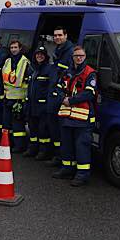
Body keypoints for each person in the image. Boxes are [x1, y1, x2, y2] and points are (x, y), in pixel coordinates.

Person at [52, 45, 97, 187]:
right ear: (72, 57)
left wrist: (70, 100)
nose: (78, 58)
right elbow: (58, 89)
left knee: (81, 146)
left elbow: (89, 93)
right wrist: (62, 99)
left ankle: (82, 175)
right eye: (76, 55)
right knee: (66, 145)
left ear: (85, 57)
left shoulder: (90, 73)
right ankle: (67, 169)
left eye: (81, 56)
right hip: (67, 116)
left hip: (83, 119)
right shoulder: (67, 72)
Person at [46, 26, 74, 167]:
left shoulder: (70, 52)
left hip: (62, 96)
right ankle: (57, 155)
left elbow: (69, 76)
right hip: (54, 94)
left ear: (66, 36)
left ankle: (62, 157)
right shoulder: (59, 50)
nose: (57, 37)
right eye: (55, 35)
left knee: (62, 129)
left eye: (60, 35)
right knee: (54, 127)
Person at [24, 45, 53, 158]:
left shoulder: (49, 69)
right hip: (32, 105)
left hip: (42, 106)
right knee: (33, 128)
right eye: (37, 54)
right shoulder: (32, 69)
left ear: (45, 56)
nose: (39, 56)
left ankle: (43, 151)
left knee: (43, 130)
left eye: (42, 54)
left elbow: (51, 88)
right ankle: (33, 148)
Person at [2, 39, 29, 153]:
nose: (13, 49)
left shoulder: (25, 62)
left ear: (20, 48)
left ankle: (19, 146)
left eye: (15, 47)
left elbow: (26, 80)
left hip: (18, 98)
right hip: (7, 96)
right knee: (7, 123)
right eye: (11, 47)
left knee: (18, 124)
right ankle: (8, 144)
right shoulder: (8, 61)